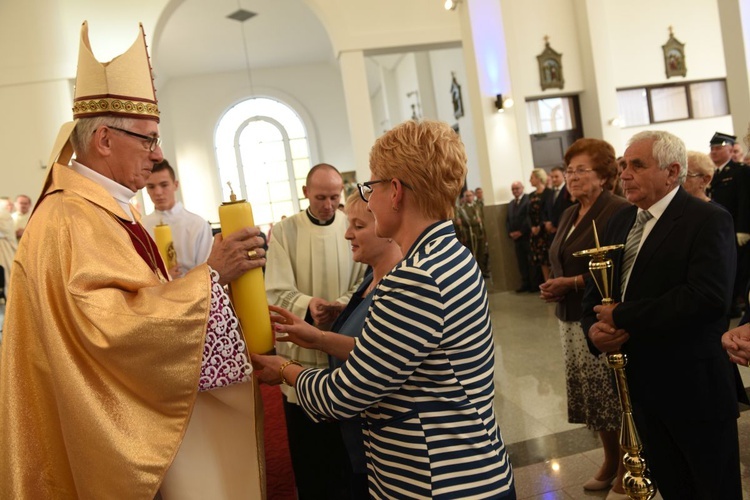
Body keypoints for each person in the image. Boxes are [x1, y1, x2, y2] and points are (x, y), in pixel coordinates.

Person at [0, 21, 267, 499]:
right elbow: (106, 329)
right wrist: (209, 277)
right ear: (104, 139)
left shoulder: (109, 208)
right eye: (147, 139)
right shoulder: (66, 218)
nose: (157, 153)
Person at [253, 120, 516, 499]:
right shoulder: (449, 253)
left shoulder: (415, 277)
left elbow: (344, 395)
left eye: (369, 187)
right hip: (467, 465)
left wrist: (284, 370)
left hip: (437, 479)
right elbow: (398, 357)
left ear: (394, 192)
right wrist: (321, 338)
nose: (367, 199)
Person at [582, 130, 744, 499]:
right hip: (641, 386)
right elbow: (595, 294)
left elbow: (707, 298)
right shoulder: (621, 221)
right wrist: (594, 330)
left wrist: (623, 316)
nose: (625, 174)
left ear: (672, 172)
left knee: (713, 488)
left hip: (693, 386)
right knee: (674, 487)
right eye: (624, 165)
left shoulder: (706, 219)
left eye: (637, 166)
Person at [268, 192, 403, 499]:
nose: (346, 233)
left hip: (393, 454)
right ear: (304, 193)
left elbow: (351, 387)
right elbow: (370, 350)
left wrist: (286, 369)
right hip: (366, 442)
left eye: (357, 224)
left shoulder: (400, 287)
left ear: (387, 227)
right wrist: (318, 338)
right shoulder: (372, 276)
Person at [264, 163, 366, 499]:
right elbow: (275, 290)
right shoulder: (284, 232)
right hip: (302, 359)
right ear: (305, 192)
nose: (327, 204)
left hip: (341, 353)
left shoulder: (352, 228)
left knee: (346, 458)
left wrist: (338, 307)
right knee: (310, 459)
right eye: (320, 196)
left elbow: (363, 282)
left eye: (334, 197)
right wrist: (308, 305)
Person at [539, 138, 630, 497]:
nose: (572, 178)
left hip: (598, 317)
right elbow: (561, 257)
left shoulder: (617, 210)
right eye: (569, 171)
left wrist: (572, 282)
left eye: (581, 171)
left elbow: (621, 269)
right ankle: (609, 459)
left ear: (605, 175)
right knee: (592, 397)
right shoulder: (567, 213)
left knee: (612, 393)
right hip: (570, 319)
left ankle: (628, 459)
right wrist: (553, 284)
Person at [142, 159, 213, 277]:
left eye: (164, 185)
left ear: (175, 185)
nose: (158, 192)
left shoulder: (197, 224)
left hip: (193, 291)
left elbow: (207, 272)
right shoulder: (142, 225)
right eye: (151, 187)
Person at [708, 132, 750, 317]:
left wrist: (744, 228)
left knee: (741, 270)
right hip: (721, 231)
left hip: (736, 230)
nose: (714, 152)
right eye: (712, 149)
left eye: (718, 148)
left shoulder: (740, 171)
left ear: (730, 148)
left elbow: (745, 200)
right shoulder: (713, 174)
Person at [455, 188, 489, 276]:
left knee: (481, 254)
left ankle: (483, 271)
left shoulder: (478, 206)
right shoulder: (463, 209)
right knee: (473, 254)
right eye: (467, 196)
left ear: (473, 196)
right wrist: (475, 221)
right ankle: (475, 273)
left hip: (480, 233)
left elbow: (483, 219)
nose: (469, 197)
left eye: (470, 195)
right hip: (470, 235)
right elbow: (466, 222)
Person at [507, 180, 532, 292]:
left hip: (526, 236)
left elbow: (528, 217)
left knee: (531, 260)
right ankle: (525, 283)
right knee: (521, 262)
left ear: (522, 188)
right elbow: (507, 220)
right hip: (516, 238)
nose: (515, 191)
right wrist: (510, 233)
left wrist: (521, 232)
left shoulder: (528, 199)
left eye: (517, 188)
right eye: (513, 189)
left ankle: (534, 283)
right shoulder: (511, 203)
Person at [528, 168, 551, 283]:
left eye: (531, 178)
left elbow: (549, 212)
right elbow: (528, 214)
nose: (529, 180)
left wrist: (540, 226)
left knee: (550, 257)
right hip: (535, 232)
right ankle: (547, 281)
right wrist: (532, 227)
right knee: (541, 259)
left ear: (538, 178)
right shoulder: (531, 195)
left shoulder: (549, 193)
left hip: (546, 231)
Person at [0, 197, 17, 300]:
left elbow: (8, 232)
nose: (11, 207)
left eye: (11, 205)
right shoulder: (4, 214)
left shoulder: (7, 215)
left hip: (6, 247)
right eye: (8, 205)